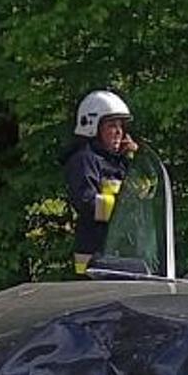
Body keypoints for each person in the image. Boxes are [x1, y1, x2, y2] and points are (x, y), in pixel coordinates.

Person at [63, 89, 137, 275]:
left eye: (121, 126)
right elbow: (86, 201)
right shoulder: (85, 160)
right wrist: (122, 207)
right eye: (112, 125)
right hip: (94, 257)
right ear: (93, 127)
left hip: (118, 252)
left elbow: (145, 193)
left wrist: (135, 159)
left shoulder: (119, 161)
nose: (119, 132)